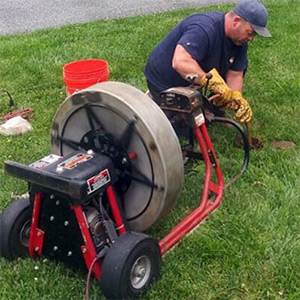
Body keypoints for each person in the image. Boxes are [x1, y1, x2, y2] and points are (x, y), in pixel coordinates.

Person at [144, 0, 271, 123]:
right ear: (236, 21)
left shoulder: (239, 40)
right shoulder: (204, 29)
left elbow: (235, 74)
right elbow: (180, 62)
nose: (251, 39)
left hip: (195, 78)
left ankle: (211, 105)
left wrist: (236, 97)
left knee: (205, 120)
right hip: (165, 80)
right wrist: (211, 82)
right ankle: (154, 99)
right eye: (250, 33)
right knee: (185, 129)